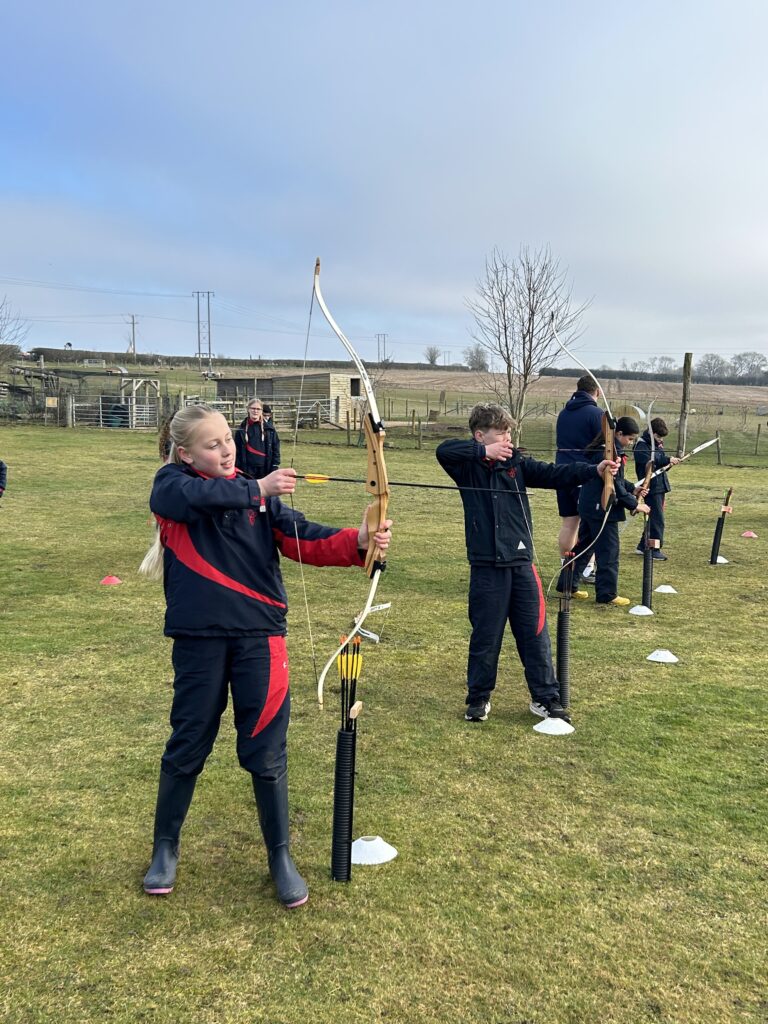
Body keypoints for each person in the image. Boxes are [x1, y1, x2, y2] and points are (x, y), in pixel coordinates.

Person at [138, 404, 392, 907]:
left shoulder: (257, 497)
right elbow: (195, 495)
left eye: (228, 439)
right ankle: (164, 847)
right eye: (212, 445)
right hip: (200, 640)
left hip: (261, 640)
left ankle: (281, 856)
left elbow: (303, 539)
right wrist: (259, 488)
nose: (227, 449)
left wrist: (359, 540)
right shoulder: (173, 487)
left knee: (266, 752)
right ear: (185, 453)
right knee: (188, 742)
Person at [436, 403, 618, 724]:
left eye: (509, 431)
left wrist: (595, 470)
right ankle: (478, 698)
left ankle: (546, 698)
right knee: (486, 636)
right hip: (486, 565)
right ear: (480, 435)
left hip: (522, 563)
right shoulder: (466, 464)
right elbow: (444, 450)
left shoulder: (516, 463)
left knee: (535, 635)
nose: (508, 437)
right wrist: (483, 451)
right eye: (501, 433)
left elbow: (554, 473)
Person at [560, 416, 650, 606]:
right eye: (630, 438)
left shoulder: (608, 452)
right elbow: (613, 485)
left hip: (589, 507)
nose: (631, 442)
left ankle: (567, 585)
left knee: (584, 548)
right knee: (609, 552)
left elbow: (617, 480)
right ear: (618, 433)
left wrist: (633, 489)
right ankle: (607, 594)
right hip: (602, 509)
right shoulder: (607, 453)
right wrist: (635, 504)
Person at [555, 376, 604, 557]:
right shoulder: (596, 414)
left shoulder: (564, 412)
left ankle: (566, 565)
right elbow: (604, 445)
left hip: (560, 472)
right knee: (589, 522)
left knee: (569, 522)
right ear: (597, 391)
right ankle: (585, 568)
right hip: (585, 474)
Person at [633, 417, 680, 560]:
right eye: (658, 436)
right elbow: (650, 462)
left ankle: (643, 546)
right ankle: (654, 549)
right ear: (651, 432)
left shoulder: (657, 445)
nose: (660, 440)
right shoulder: (641, 446)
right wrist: (667, 459)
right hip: (650, 488)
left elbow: (659, 466)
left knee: (653, 517)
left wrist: (669, 465)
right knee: (657, 519)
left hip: (659, 486)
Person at [235, 398, 280, 477]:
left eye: (258, 409)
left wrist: (275, 465)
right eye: (253, 408)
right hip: (247, 469)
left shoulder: (269, 429)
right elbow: (236, 450)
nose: (255, 411)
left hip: (265, 468)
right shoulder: (241, 430)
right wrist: (237, 467)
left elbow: (275, 447)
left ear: (261, 411)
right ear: (248, 409)